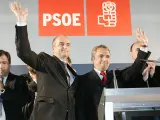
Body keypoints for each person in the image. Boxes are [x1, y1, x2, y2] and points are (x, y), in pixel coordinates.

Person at [9, 1, 77, 120]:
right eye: (61, 44)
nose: (65, 47)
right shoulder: (45, 61)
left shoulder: (72, 72)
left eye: (68, 44)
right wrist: (21, 22)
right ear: (53, 48)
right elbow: (24, 52)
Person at [75, 42, 150, 120]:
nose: (105, 59)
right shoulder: (82, 80)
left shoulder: (117, 76)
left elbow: (134, 69)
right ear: (92, 59)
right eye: (101, 56)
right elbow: (80, 110)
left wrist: (144, 47)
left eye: (107, 56)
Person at [0, 50, 30, 120]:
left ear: (9, 65)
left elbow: (23, 100)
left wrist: (2, 89)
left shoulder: (19, 80)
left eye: (4, 63)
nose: (0, 66)